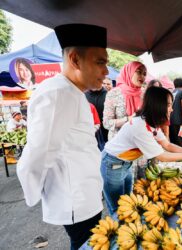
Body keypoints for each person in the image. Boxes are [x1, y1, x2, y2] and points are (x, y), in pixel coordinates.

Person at [16, 23, 109, 250]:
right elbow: (38, 153)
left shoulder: (72, 91)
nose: (106, 71)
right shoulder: (57, 93)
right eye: (100, 62)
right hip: (75, 199)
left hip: (84, 194)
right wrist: (35, 191)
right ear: (75, 59)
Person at [101, 86, 182, 214]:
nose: (171, 109)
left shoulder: (150, 123)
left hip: (125, 163)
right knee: (117, 209)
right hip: (112, 163)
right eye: (169, 105)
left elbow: (168, 145)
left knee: (127, 203)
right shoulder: (139, 126)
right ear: (158, 105)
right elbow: (162, 156)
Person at [103, 61, 146, 140]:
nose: (142, 76)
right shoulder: (114, 93)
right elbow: (106, 123)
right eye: (139, 72)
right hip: (119, 144)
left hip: (140, 141)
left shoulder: (144, 94)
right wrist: (127, 119)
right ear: (129, 72)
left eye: (144, 74)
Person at [169, 78, 182, 147]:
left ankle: (174, 156)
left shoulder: (171, 93)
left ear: (174, 85)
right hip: (181, 122)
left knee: (172, 141)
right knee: (181, 140)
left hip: (170, 121)